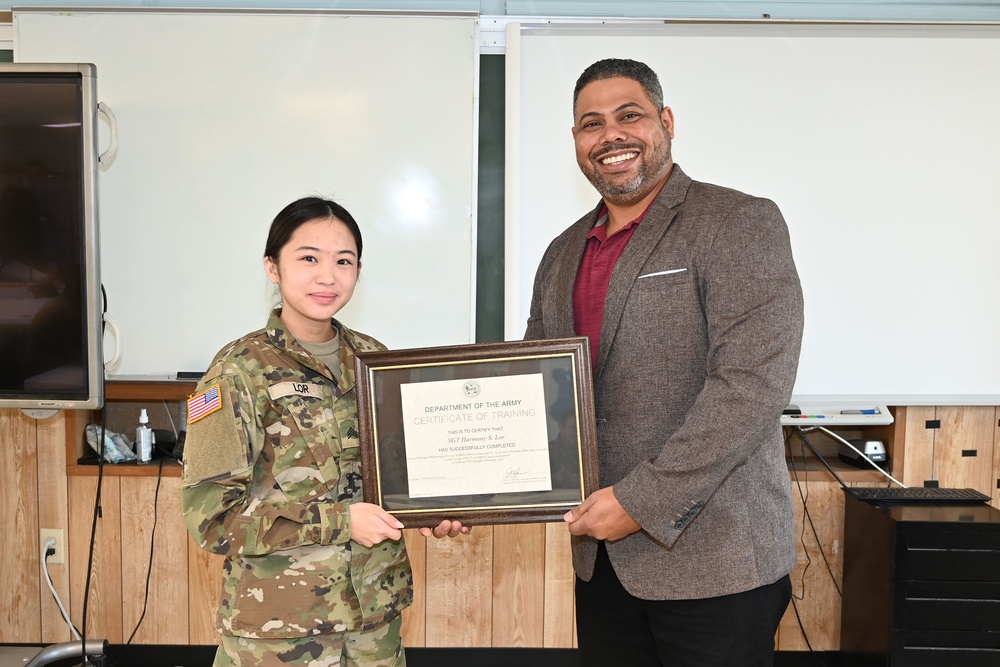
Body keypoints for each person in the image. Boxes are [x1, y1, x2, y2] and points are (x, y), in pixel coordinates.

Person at [524, 58, 804, 666]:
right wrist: (474, 493)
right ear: (576, 141)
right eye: (590, 124)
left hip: (716, 560)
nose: (611, 136)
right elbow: (537, 389)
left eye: (630, 116)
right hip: (602, 562)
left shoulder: (736, 221)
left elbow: (751, 386)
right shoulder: (561, 252)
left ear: (666, 122)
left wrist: (640, 502)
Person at [181, 196, 468, 667]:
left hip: (374, 621)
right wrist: (339, 521)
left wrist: (433, 510)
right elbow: (212, 519)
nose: (327, 276)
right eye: (308, 258)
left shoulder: (376, 361)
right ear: (273, 268)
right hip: (279, 633)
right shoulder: (235, 372)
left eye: (344, 261)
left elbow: (402, 477)